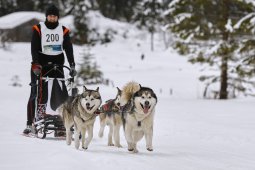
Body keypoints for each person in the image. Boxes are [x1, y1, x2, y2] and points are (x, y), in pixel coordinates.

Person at [23, 4, 77, 135]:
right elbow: (34, 47)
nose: (52, 18)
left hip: (57, 64)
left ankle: (60, 122)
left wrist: (72, 64)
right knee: (37, 92)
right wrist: (35, 64)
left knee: (60, 92)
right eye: (50, 16)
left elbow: (68, 48)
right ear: (47, 16)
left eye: (54, 16)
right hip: (40, 65)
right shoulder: (38, 29)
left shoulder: (63, 30)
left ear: (57, 17)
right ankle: (30, 123)